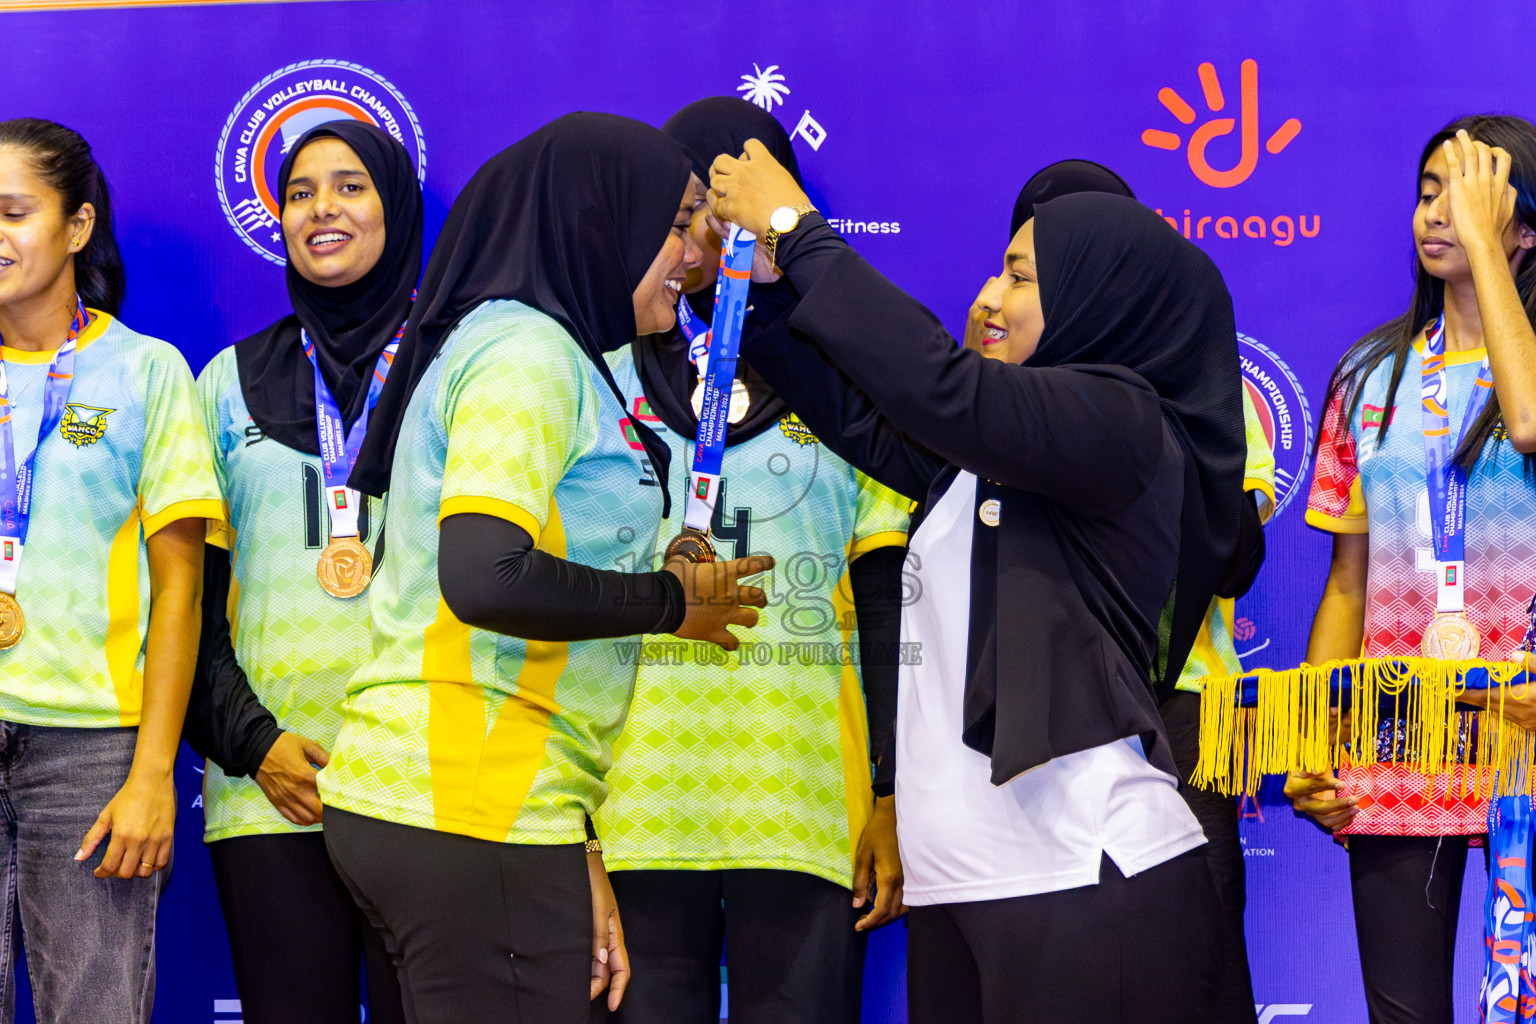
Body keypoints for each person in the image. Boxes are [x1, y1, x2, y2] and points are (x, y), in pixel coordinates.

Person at [707, 145, 1250, 1022]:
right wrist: (760, 282)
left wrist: (797, 229)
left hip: (1085, 882)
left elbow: (937, 385)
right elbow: (863, 409)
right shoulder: (984, 462)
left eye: (1022, 276)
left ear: (1098, 299)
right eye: (997, 269)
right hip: (959, 892)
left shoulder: (1122, 423)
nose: (990, 296)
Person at [316, 112, 773, 1024]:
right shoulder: (523, 354)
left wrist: (575, 840)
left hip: (494, 803)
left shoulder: (562, 356)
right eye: (679, 222)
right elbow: (487, 575)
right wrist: (666, 602)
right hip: (463, 803)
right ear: (601, 220)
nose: (694, 253)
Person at [592, 96, 910, 1024]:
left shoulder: (851, 368)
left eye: (752, 195)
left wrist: (890, 791)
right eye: (701, 200)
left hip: (802, 797)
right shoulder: (602, 359)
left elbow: (887, 598)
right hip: (629, 799)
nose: (723, 222)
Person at [967, 156, 1275, 1024]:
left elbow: (1236, 559)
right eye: (1023, 260)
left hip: (1174, 700)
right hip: (1038, 698)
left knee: (1202, 948)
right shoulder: (979, 390)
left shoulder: (1197, 385)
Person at [1285, 117, 1536, 1024]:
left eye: (1466, 194)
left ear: (1524, 226)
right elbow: (1348, 582)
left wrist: (1485, 249)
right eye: (1429, 189)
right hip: (1401, 742)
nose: (1437, 212)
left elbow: (1531, 422)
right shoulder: (1368, 374)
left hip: (1526, 742)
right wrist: (1316, 740)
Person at [180, 120, 417, 1024]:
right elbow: (183, 609)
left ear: (395, 205)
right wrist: (254, 744)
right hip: (267, 789)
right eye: (303, 190)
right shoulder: (225, 383)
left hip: (428, 789)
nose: (323, 209)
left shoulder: (458, 368)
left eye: (351, 186)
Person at [0, 118, 223, 1022]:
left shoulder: (145, 372)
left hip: (89, 754)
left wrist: (150, 773)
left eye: (13, 212)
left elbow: (181, 591)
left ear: (79, 226)